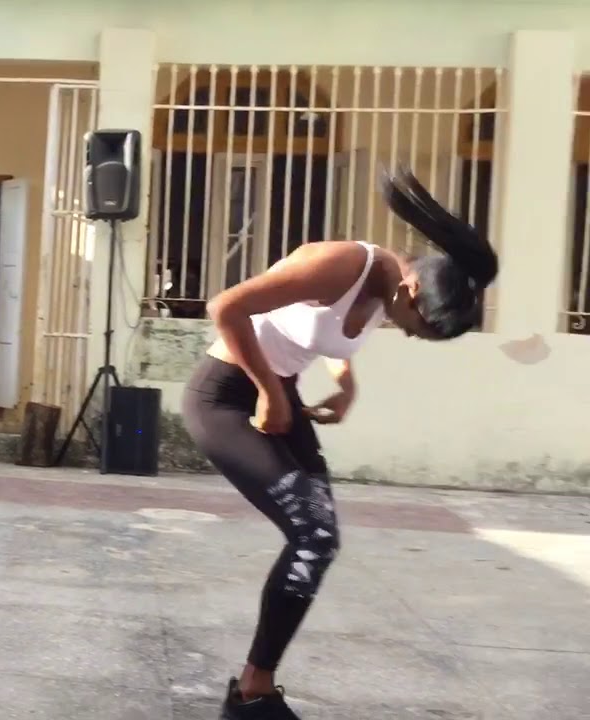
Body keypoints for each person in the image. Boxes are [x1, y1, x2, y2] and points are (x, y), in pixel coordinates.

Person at [180, 165, 498, 720]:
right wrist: (268, 393)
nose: (405, 331)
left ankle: (256, 689)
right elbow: (226, 307)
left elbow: (323, 334)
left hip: (276, 393)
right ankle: (253, 696)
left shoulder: (391, 287)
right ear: (412, 287)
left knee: (320, 539)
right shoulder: (339, 264)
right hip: (224, 396)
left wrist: (345, 384)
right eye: (414, 326)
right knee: (312, 534)